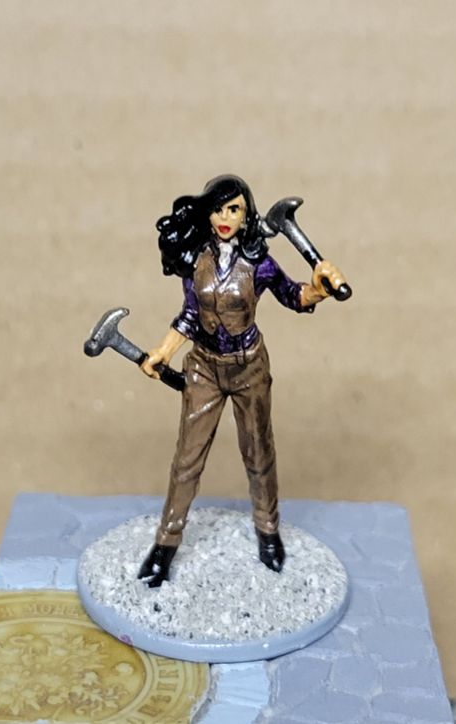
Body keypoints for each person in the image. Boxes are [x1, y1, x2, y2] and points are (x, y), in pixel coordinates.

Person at [137, 175, 347, 587]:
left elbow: (293, 295)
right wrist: (164, 351)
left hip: (249, 368)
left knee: (258, 452)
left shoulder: (259, 262)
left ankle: (268, 531)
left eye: (233, 209)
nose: (225, 217)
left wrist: (318, 291)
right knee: (186, 460)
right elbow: (190, 314)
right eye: (218, 208)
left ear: (247, 213)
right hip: (204, 368)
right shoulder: (195, 260)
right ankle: (165, 545)